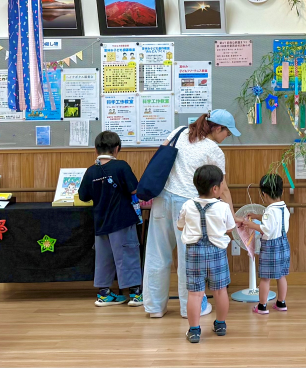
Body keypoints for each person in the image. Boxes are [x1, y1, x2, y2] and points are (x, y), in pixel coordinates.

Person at [142, 109, 240, 319]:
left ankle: (154, 307)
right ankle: (191, 309)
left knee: (156, 254)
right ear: (218, 128)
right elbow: (222, 189)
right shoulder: (214, 150)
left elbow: (160, 156)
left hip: (161, 199)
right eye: (227, 132)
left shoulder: (179, 131)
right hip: (188, 205)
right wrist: (232, 216)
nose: (227, 137)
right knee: (188, 259)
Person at [78, 131, 143, 307]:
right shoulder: (121, 166)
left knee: (103, 258)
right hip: (122, 220)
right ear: (117, 148)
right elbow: (134, 189)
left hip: (100, 223)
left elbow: (83, 196)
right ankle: (136, 294)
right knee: (127, 254)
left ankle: (104, 294)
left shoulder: (91, 171)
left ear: (95, 149)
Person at [177, 165, 235, 343]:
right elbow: (230, 228)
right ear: (215, 188)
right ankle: (221, 324)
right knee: (220, 291)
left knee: (195, 294)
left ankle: (194, 330)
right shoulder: (223, 207)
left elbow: (180, 226)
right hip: (217, 252)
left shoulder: (188, 205)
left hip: (194, 253)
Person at [238, 173, 290, 315]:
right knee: (281, 275)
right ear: (281, 191)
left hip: (270, 247)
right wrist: (257, 216)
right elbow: (273, 221)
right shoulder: (283, 208)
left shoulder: (269, 210)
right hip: (283, 244)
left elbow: (266, 228)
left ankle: (262, 306)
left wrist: (251, 224)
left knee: (265, 278)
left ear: (264, 194)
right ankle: (281, 303)